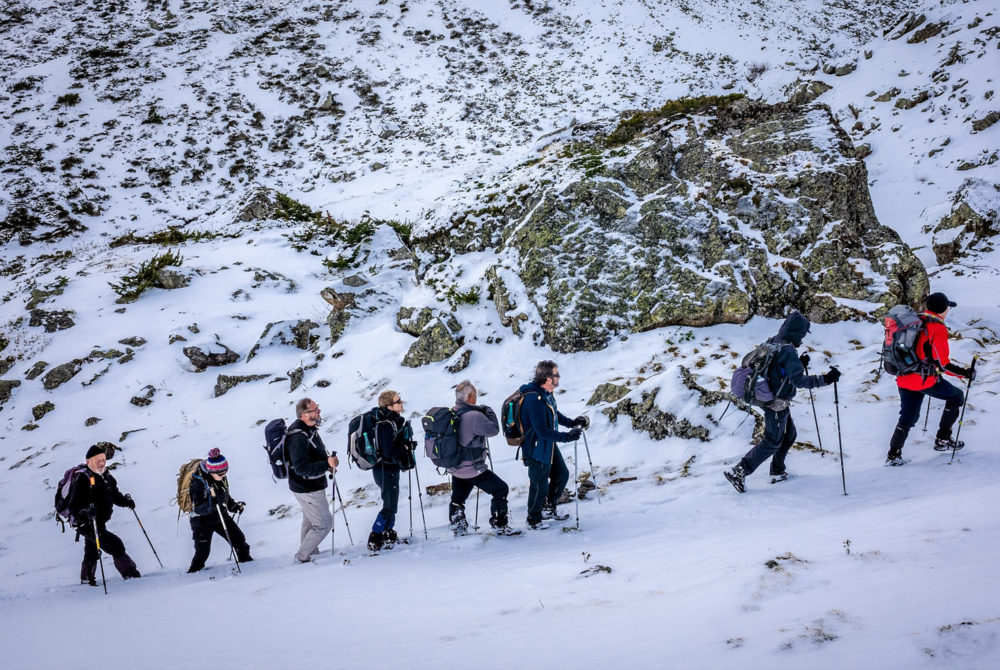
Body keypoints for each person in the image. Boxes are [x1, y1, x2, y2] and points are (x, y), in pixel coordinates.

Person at [724, 311, 840, 492]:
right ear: (797, 332)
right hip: (776, 403)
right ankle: (740, 471)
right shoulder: (788, 351)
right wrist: (827, 379)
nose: (803, 337)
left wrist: (799, 363)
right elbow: (799, 381)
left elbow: (779, 369)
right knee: (772, 441)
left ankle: (777, 471)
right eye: (803, 333)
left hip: (773, 396)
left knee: (789, 435)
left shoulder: (774, 341)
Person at [887, 292, 976, 464]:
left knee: (907, 417)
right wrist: (965, 373)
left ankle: (893, 455)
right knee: (956, 396)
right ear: (943, 309)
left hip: (904, 377)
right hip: (923, 379)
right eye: (948, 307)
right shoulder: (937, 327)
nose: (948, 310)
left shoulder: (915, 320)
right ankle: (943, 439)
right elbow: (943, 364)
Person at [518, 361, 586, 529]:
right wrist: (567, 437)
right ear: (548, 379)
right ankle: (533, 519)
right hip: (535, 448)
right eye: (556, 375)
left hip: (547, 445)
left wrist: (571, 423)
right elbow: (541, 430)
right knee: (539, 483)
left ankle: (548, 507)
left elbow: (554, 414)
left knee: (561, 474)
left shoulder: (546, 393)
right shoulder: (533, 399)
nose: (559, 377)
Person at [447, 380, 518, 536]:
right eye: (476, 395)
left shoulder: (453, 412)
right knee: (500, 489)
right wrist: (489, 410)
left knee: (457, 499)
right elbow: (493, 430)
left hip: (456, 466)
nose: (477, 398)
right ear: (470, 396)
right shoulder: (473, 416)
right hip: (473, 468)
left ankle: (458, 526)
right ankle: (500, 525)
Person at [67, 444, 141, 585]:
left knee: (92, 550)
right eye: (97, 460)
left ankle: (86, 579)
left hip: (98, 522)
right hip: (86, 523)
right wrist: (86, 512)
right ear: (88, 461)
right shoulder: (83, 479)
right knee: (116, 545)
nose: (101, 463)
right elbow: (74, 506)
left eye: (103, 459)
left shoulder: (106, 476)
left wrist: (126, 502)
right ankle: (130, 574)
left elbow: (114, 494)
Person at [286, 397, 339, 564]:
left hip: (308, 485)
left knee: (310, 521)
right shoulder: (298, 437)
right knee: (323, 523)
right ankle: (302, 556)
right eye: (315, 409)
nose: (319, 411)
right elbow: (300, 467)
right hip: (307, 487)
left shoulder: (309, 429)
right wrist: (325, 464)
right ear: (305, 415)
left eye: (318, 408)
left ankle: (311, 553)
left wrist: (327, 464)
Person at [187, 449, 252, 572]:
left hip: (220, 516)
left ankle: (248, 565)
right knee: (202, 553)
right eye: (221, 473)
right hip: (201, 523)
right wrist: (212, 504)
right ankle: (193, 574)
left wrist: (233, 506)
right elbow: (198, 507)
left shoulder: (220, 476)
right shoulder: (197, 483)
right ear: (212, 471)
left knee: (240, 541)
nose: (224, 475)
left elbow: (224, 494)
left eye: (225, 471)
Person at [367, 390, 416, 551]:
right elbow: (388, 452)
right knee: (389, 505)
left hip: (386, 469)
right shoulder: (385, 425)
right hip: (385, 469)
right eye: (398, 401)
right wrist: (405, 447)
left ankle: (387, 533)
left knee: (391, 502)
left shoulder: (390, 421)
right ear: (390, 406)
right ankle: (375, 536)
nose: (402, 403)